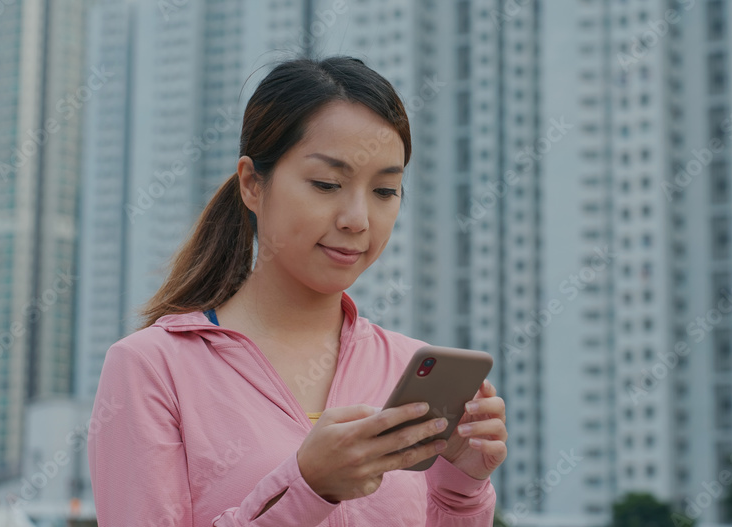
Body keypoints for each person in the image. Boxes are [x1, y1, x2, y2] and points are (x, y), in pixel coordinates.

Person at [87, 56, 507, 526]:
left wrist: (462, 487)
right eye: (327, 184)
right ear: (252, 183)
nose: (357, 219)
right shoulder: (152, 367)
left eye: (385, 191)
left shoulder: (408, 368)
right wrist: (307, 489)